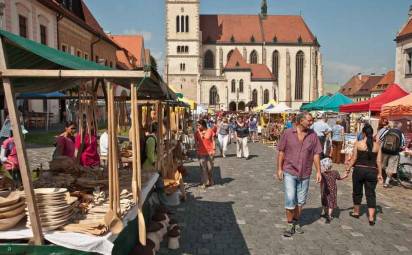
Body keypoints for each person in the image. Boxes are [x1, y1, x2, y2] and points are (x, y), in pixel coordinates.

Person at [277, 112, 322, 237]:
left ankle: (296, 222)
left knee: (301, 201)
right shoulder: (287, 133)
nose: (311, 122)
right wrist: (279, 169)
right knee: (290, 198)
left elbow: (316, 154)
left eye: (312, 120)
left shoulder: (313, 135)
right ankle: (290, 224)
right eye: (309, 120)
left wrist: (318, 171)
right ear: (301, 120)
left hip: (305, 172)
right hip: (290, 171)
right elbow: (281, 152)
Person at [346, 124, 383, 225]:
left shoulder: (358, 143)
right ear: (372, 133)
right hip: (372, 171)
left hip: (359, 170)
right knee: (371, 194)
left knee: (357, 192)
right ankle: (371, 217)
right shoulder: (377, 146)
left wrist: (348, 168)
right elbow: (379, 161)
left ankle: (356, 212)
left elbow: (354, 158)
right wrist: (380, 173)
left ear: (363, 133)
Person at [320, 157, 348, 224]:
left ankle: (326, 214)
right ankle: (329, 215)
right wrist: (345, 176)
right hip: (333, 191)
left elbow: (320, 182)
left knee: (325, 202)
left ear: (324, 167)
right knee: (331, 203)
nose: (321, 167)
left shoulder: (322, 174)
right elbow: (339, 178)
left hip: (325, 190)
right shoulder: (335, 172)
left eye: (321, 166)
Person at [379, 121, 405, 188]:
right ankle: (386, 183)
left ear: (393, 126)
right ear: (399, 127)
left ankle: (380, 178)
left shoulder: (387, 131)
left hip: (385, 151)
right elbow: (403, 145)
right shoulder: (401, 133)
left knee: (382, 165)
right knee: (391, 167)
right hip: (394, 153)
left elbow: (380, 139)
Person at [195, 119, 215, 188]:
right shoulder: (197, 132)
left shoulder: (210, 130)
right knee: (203, 168)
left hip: (209, 152)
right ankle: (205, 182)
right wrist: (197, 150)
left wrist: (214, 149)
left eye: (199, 125)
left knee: (210, 168)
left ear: (203, 125)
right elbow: (196, 142)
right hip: (201, 152)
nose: (198, 126)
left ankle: (210, 178)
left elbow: (213, 140)